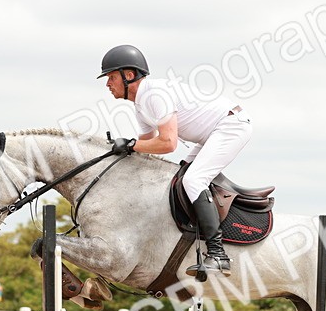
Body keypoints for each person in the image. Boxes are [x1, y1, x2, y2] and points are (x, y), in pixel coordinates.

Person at [98, 44, 252, 277]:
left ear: (128, 75)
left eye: (110, 77)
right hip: (212, 133)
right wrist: (121, 155)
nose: (107, 84)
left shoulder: (153, 95)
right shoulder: (141, 105)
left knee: (192, 181)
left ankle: (218, 255)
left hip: (230, 126)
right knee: (178, 179)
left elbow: (168, 144)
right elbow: (147, 148)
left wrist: (129, 145)